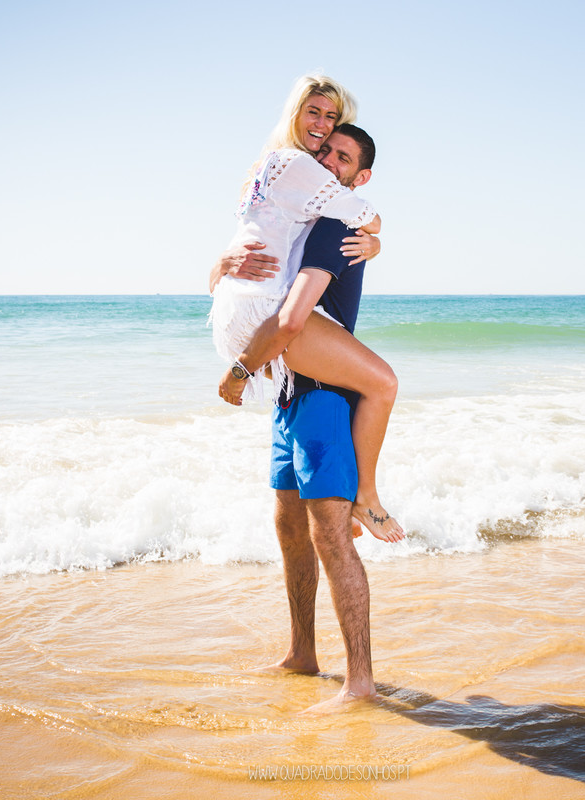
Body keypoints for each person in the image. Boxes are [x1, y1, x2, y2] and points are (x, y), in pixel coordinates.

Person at [215, 125, 391, 712]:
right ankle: (302, 653)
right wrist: (224, 262)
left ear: (360, 176)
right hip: (289, 394)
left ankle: (360, 682)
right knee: (290, 529)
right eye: (325, 151)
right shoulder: (302, 223)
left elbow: (292, 320)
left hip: (323, 398)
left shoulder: (334, 227)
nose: (328, 161)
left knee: (331, 538)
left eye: (343, 157)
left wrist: (239, 371)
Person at [208, 74, 402, 541]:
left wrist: (375, 245)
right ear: (294, 113)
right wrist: (240, 371)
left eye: (331, 118)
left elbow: (253, 247)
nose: (322, 130)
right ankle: (365, 498)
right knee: (382, 383)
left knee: (297, 520)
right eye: (313, 113)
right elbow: (369, 218)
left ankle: (347, 500)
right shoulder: (307, 180)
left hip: (244, 319)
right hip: (269, 323)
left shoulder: (282, 181)